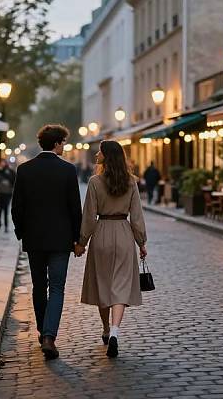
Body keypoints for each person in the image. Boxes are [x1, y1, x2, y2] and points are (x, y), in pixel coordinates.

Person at [12, 124, 82, 360]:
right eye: (63, 142)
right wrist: (77, 238)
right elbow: (75, 209)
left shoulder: (25, 170)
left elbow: (16, 208)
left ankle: (43, 331)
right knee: (58, 287)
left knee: (39, 286)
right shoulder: (68, 170)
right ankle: (50, 335)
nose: (64, 146)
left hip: (34, 240)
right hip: (61, 240)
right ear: (57, 143)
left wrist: (22, 233)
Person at [75, 140, 147, 358]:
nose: (97, 154)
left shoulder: (95, 182)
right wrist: (141, 242)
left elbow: (89, 216)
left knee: (103, 284)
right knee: (121, 286)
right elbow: (137, 216)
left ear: (106, 156)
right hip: (124, 234)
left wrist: (81, 242)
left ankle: (105, 328)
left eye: (100, 151)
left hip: (102, 234)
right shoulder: (131, 182)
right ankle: (115, 331)